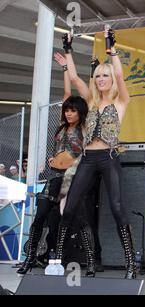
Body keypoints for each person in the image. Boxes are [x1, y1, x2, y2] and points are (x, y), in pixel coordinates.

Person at [55, 28, 135, 279]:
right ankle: (63, 261)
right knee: (69, 209)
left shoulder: (120, 100)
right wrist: (68, 49)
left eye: (104, 76)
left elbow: (120, 75)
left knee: (118, 208)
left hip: (109, 157)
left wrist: (112, 51)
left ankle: (131, 264)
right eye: (98, 76)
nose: (101, 79)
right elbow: (76, 76)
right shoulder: (89, 101)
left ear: (110, 79)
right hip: (88, 158)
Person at [17, 52, 88, 274]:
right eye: (67, 110)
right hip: (53, 175)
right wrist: (65, 69)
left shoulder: (83, 127)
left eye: (73, 110)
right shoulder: (62, 126)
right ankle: (30, 258)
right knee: (40, 217)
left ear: (80, 112)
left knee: (71, 219)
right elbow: (66, 93)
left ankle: (79, 260)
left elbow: (72, 94)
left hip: (72, 178)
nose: (68, 112)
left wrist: (70, 67)